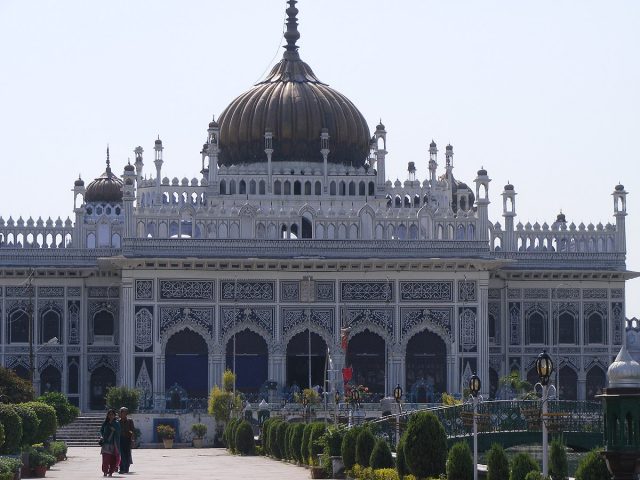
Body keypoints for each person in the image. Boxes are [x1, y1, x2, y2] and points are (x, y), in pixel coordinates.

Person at [99, 409, 121, 477]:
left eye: (112, 414)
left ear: (115, 415)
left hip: (114, 444)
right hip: (105, 444)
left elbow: (119, 432)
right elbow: (101, 431)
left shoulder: (117, 423)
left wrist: (114, 430)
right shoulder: (105, 423)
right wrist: (102, 437)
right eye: (109, 414)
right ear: (107, 415)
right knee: (105, 459)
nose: (111, 416)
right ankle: (105, 472)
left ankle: (111, 472)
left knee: (113, 460)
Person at [118, 407, 136, 474]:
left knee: (127, 454)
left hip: (127, 439)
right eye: (122, 412)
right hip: (120, 439)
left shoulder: (130, 421)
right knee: (121, 454)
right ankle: (122, 468)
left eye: (125, 412)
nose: (123, 414)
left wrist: (132, 439)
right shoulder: (118, 421)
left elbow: (132, 430)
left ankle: (126, 468)